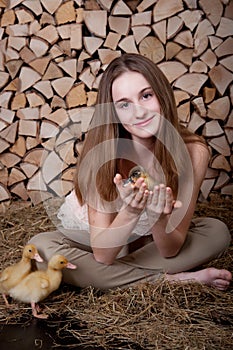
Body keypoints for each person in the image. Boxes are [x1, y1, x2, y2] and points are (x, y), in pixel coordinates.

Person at [29, 53, 232, 291]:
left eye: (146, 96)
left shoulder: (194, 151)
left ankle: (113, 277)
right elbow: (103, 255)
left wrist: (158, 217)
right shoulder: (101, 154)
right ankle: (174, 280)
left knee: (217, 232)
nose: (139, 113)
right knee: (41, 246)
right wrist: (131, 211)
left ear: (162, 96)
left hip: (150, 244)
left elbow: (170, 248)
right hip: (98, 240)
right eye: (124, 104)